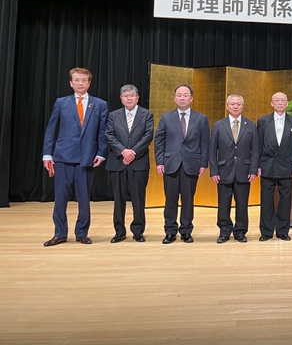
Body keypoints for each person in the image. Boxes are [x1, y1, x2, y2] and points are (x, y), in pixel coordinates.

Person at [42, 67, 108, 246]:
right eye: (77, 80)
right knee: (61, 198)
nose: (80, 83)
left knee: (84, 197)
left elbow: (103, 132)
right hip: (62, 157)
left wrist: (101, 153)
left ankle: (82, 232)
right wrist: (47, 154)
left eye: (84, 80)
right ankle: (60, 233)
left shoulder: (100, 104)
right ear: (71, 83)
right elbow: (50, 130)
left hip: (87, 158)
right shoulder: (61, 102)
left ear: (89, 83)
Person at [154, 84, 210, 244]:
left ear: (191, 98)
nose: (182, 97)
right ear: (174, 98)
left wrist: (203, 163)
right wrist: (159, 161)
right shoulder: (166, 117)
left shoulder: (201, 118)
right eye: (179, 95)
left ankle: (186, 230)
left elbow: (205, 142)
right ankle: (170, 231)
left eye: (185, 95)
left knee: (188, 199)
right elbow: (159, 141)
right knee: (170, 199)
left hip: (192, 164)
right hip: (170, 163)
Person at [105, 84, 154, 243]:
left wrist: (133, 152)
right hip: (118, 161)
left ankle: (138, 231)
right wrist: (123, 151)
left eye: (132, 96)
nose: (129, 98)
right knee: (118, 199)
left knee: (138, 198)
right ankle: (119, 231)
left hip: (138, 162)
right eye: (125, 96)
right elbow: (109, 135)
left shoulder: (147, 114)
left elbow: (148, 136)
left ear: (137, 97)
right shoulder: (113, 115)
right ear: (121, 99)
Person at [209, 94, 259, 244]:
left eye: (238, 104)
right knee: (223, 203)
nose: (235, 106)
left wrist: (253, 170)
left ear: (242, 107)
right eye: (232, 104)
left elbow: (255, 150)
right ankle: (224, 231)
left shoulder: (250, 125)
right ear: (227, 106)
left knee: (242, 203)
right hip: (223, 171)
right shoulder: (218, 125)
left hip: (244, 171)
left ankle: (240, 231)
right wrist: (214, 171)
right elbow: (212, 151)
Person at [257, 92, 292, 241]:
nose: (280, 103)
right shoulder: (263, 121)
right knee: (266, 200)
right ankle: (266, 231)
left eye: (283, 100)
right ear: (272, 103)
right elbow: (258, 145)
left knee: (285, 200)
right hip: (267, 165)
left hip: (287, 165)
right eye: (277, 100)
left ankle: (283, 231)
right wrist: (257, 165)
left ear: (287, 103)